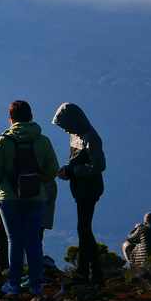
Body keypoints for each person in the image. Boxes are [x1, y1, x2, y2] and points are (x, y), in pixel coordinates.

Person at [0, 100, 59, 295]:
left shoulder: (3, 141)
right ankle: (36, 284)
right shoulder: (42, 141)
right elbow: (53, 170)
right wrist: (38, 181)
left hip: (8, 199)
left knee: (14, 240)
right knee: (33, 240)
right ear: (31, 116)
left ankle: (14, 284)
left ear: (11, 119)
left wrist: (2, 185)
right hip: (36, 196)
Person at [52, 103, 106, 285]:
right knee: (83, 229)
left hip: (89, 189)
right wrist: (68, 171)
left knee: (84, 229)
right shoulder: (76, 135)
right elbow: (76, 161)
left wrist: (72, 172)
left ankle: (92, 272)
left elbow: (98, 166)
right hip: (80, 189)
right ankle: (86, 271)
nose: (64, 129)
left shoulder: (91, 138)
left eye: (65, 124)